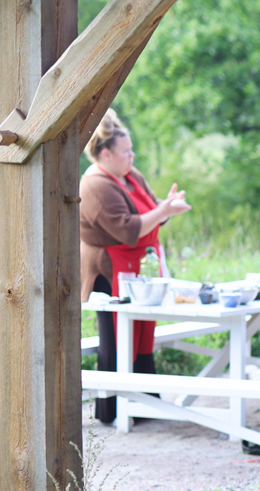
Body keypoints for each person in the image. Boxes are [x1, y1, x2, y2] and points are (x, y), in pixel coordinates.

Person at [79, 109, 190, 425]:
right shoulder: (94, 186)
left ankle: (145, 405)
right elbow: (127, 229)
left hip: (139, 269)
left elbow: (152, 211)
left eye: (131, 150)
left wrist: (167, 209)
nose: (132, 155)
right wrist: (161, 211)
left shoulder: (131, 176)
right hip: (108, 273)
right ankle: (113, 411)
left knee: (143, 336)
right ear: (105, 154)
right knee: (115, 340)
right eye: (126, 151)